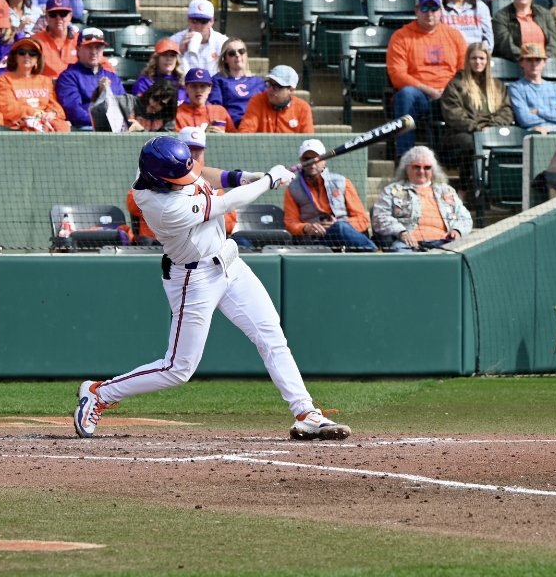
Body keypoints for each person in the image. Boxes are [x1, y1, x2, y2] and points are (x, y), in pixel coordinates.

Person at [74, 136, 350, 441]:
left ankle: (306, 412)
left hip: (230, 263)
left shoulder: (164, 171)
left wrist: (241, 177)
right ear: (159, 179)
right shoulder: (162, 205)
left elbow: (203, 174)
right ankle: (100, 393)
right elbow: (227, 202)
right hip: (195, 279)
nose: (186, 179)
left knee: (271, 335)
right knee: (179, 368)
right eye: (178, 178)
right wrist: (269, 180)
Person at [387, 0, 467, 155]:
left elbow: (464, 71)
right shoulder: (401, 37)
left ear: (441, 11)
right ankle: (405, 157)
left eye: (434, 8)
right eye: (425, 8)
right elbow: (397, 74)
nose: (429, 13)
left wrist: (449, 90)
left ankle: (459, 156)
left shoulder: (455, 36)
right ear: (417, 10)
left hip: (451, 95)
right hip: (420, 96)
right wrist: (428, 89)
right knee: (406, 94)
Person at [371, 145, 472, 251]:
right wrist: (402, 232)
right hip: (407, 244)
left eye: (427, 167)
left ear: (433, 170)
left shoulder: (446, 191)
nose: (422, 171)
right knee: (399, 253)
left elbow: (465, 218)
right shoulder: (392, 190)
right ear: (407, 168)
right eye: (416, 167)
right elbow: (379, 217)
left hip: (444, 242)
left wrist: (457, 230)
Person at [284, 138, 375, 251]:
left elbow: (362, 220)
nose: (311, 163)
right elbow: (290, 223)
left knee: (340, 227)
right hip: (315, 241)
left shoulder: (342, 182)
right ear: (301, 161)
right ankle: (376, 254)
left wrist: (341, 225)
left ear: (325, 159)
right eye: (307, 159)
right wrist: (307, 228)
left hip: (346, 238)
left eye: (316, 158)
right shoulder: (292, 188)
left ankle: (374, 253)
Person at [441, 42, 514, 158]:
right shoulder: (456, 84)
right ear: (467, 60)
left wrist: (492, 127)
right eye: (474, 58)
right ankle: (472, 176)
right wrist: (478, 129)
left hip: (493, 129)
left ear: (487, 60)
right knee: (472, 143)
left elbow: (507, 111)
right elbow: (454, 115)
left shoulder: (498, 85)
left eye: (482, 58)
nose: (478, 62)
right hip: (463, 132)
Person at [0, 37, 69, 132]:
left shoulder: (45, 81)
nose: (27, 56)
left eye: (32, 53)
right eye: (22, 52)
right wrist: (37, 113)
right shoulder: (4, 80)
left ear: (38, 59)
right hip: (16, 129)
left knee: (63, 127)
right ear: (15, 56)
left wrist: (53, 113)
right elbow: (8, 109)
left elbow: (54, 105)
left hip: (45, 125)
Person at [55, 27, 124, 130]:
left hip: (116, 129)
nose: (94, 52)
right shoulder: (68, 77)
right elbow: (74, 112)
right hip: (87, 129)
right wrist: (103, 122)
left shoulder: (112, 77)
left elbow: (123, 106)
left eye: (98, 47)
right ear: (78, 49)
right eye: (89, 47)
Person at [508, 42, 556, 133]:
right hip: (536, 134)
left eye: (538, 60)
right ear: (521, 62)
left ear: (544, 62)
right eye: (529, 60)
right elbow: (525, 120)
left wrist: (539, 112)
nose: (534, 64)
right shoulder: (516, 88)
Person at [492, 0, 556, 62]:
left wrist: (545, 59)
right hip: (515, 65)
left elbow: (553, 43)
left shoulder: (545, 13)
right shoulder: (500, 17)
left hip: (544, 64)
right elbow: (505, 46)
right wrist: (528, 61)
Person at [237, 65, 315, 134]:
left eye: (277, 86)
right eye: (270, 83)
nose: (270, 89)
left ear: (291, 90)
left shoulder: (303, 108)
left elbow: (308, 141)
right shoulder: (257, 101)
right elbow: (245, 134)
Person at [212, 38, 262, 129]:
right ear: (225, 59)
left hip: (255, 128)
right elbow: (216, 108)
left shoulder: (258, 82)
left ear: (246, 54)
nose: (237, 55)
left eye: (241, 51)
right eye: (232, 53)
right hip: (231, 128)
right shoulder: (218, 80)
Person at [170, 0, 227, 77]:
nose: (198, 25)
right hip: (183, 86)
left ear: (212, 22)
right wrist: (178, 52)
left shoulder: (223, 42)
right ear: (188, 20)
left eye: (204, 21)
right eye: (195, 20)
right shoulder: (174, 40)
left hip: (214, 86)